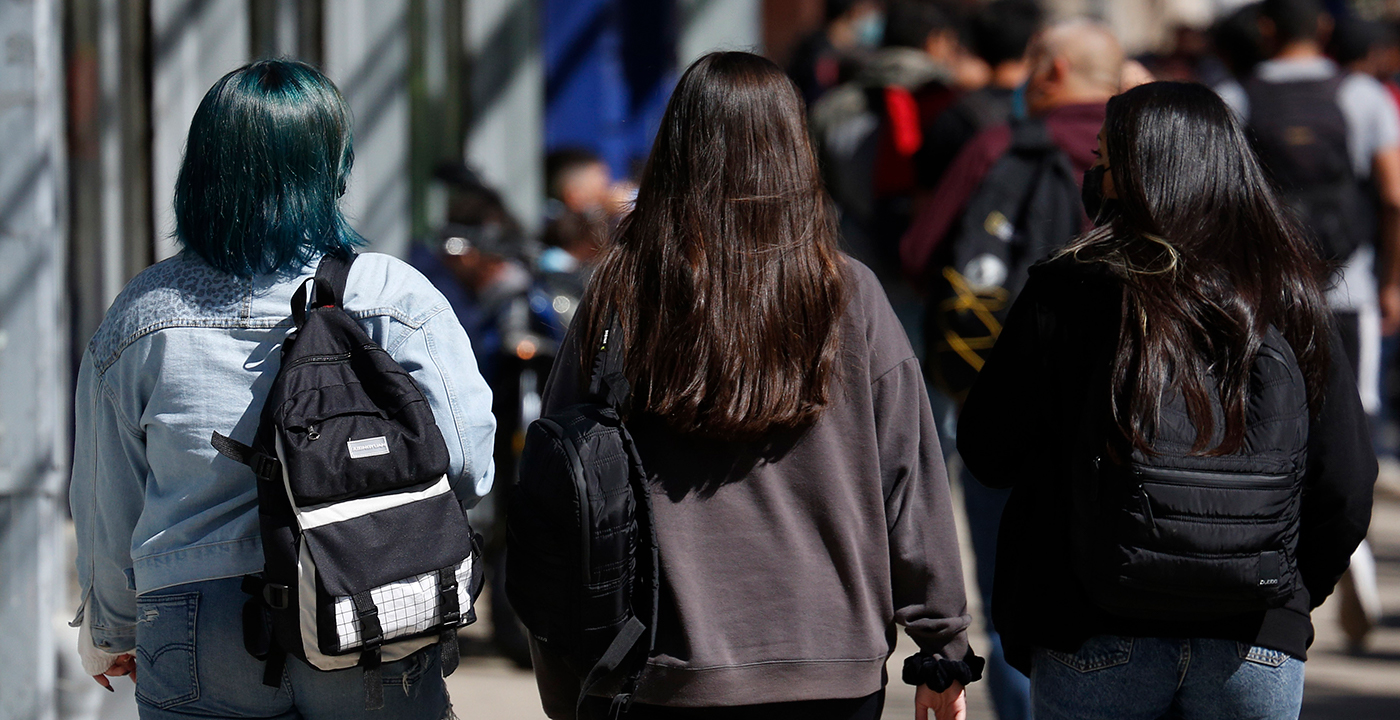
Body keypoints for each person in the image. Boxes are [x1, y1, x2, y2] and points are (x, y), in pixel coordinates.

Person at [527, 51, 980, 720]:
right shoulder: (848, 293)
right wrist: (941, 641)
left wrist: (564, 667)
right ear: (795, 152)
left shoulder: (625, 289)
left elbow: (562, 473)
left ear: (677, 150)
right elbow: (909, 476)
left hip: (664, 670)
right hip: (832, 671)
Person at [69, 60, 496, 719]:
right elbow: (465, 462)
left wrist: (113, 629)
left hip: (192, 621)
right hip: (366, 602)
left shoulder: (142, 314)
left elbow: (107, 498)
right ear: (333, 165)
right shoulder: (391, 296)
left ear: (203, 167)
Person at [959, 81, 1376, 720]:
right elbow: (1344, 483)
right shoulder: (1289, 296)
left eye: (1106, 160)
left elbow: (988, 450)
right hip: (1255, 638)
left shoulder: (1070, 290)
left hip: (1092, 623)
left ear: (1136, 175)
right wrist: (1284, 598)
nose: (1095, 174)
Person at [897, 19, 1123, 720]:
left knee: (1011, 611)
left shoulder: (997, 146)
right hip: (1133, 421)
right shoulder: (1152, 148)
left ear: (1049, 72)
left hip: (1009, 410)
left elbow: (918, 251)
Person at [1217, 0, 1400, 653]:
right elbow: (1393, 192)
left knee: (1273, 422)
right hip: (1347, 288)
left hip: (1264, 293)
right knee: (1355, 421)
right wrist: (1391, 282)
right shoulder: (1362, 94)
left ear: (1265, 30)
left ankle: (1290, 545)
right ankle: (1351, 552)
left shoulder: (1234, 95)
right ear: (1321, 29)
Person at [913, 0, 1043, 195]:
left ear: (976, 47)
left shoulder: (954, 114)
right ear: (1034, 43)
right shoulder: (1045, 114)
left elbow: (926, 197)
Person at [786, 0, 885, 107]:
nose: (873, 17)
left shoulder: (862, 50)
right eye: (868, 9)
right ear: (853, 11)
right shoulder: (813, 50)